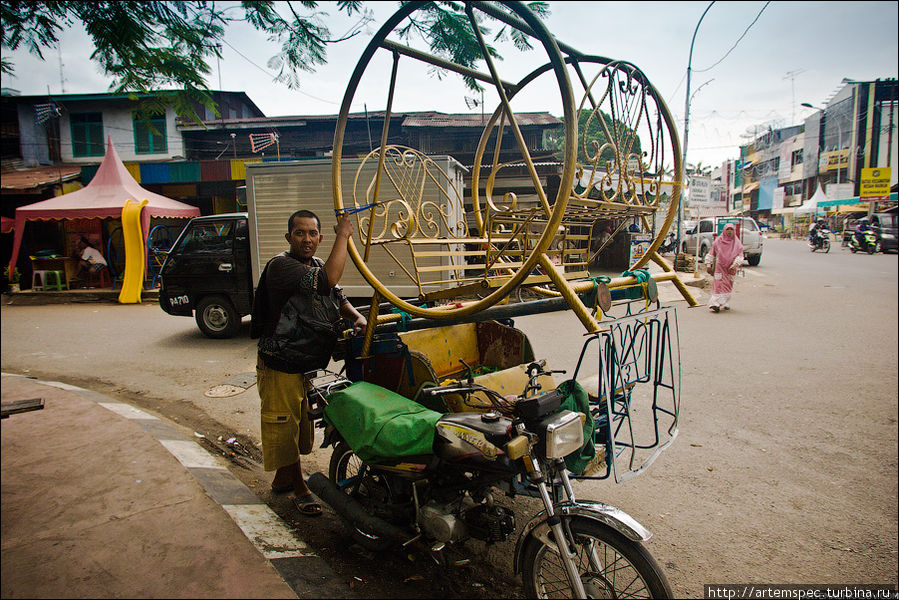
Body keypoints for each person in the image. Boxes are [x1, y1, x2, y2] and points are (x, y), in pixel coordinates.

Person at [250, 209, 366, 516]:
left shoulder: (313, 263)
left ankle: (281, 480)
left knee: (298, 425)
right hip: (280, 364)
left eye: (313, 233)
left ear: (319, 238)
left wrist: (356, 316)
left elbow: (337, 296)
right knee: (285, 426)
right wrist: (345, 234)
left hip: (302, 362)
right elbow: (330, 278)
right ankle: (300, 489)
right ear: (289, 237)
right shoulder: (282, 266)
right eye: (300, 233)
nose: (307, 239)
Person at [706, 223, 744, 313]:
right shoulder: (718, 241)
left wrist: (736, 264)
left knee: (728, 285)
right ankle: (715, 304)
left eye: (731, 229)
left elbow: (740, 254)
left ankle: (724, 302)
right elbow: (712, 253)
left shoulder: (736, 242)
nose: (729, 231)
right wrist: (708, 264)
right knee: (718, 284)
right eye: (728, 229)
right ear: (724, 230)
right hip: (720, 266)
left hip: (731, 267)